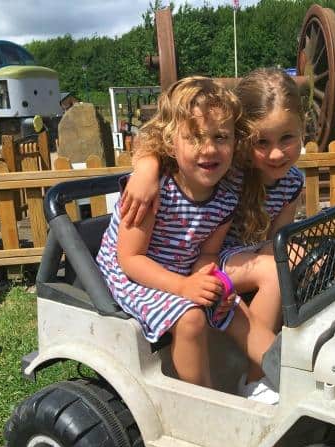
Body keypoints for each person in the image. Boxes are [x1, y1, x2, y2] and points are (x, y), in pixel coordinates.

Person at [96, 76, 278, 403]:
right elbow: (130, 259)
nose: (209, 149)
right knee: (191, 317)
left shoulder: (225, 194)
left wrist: (209, 277)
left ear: (235, 142)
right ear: (169, 143)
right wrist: (183, 288)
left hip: (180, 270)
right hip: (132, 274)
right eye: (194, 137)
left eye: (220, 137)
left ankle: (286, 379)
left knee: (233, 307)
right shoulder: (155, 190)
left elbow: (207, 252)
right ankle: (207, 407)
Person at [120, 68, 305, 332]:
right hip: (213, 260)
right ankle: (256, 357)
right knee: (274, 270)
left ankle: (286, 338)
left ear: (302, 128)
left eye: (286, 138)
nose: (275, 154)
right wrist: (145, 169)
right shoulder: (226, 170)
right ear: (242, 137)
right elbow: (162, 147)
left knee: (298, 258)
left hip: (243, 257)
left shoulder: (292, 182)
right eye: (261, 142)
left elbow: (277, 239)